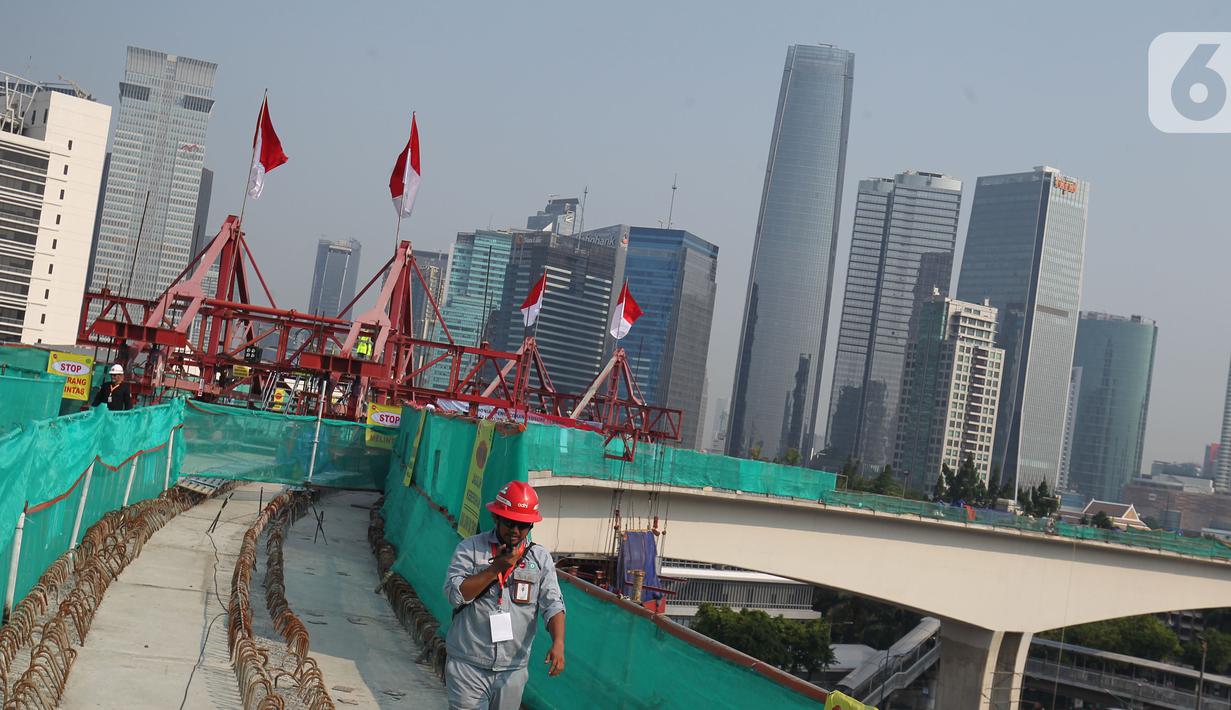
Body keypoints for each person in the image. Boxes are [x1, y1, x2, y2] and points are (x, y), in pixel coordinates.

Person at [443, 481, 565, 709]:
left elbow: (553, 604)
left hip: (512, 670)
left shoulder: (540, 558)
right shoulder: (470, 549)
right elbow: (454, 594)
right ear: (496, 517)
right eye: (510, 522)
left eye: (523, 525)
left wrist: (558, 642)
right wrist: (494, 570)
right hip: (468, 665)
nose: (515, 531)